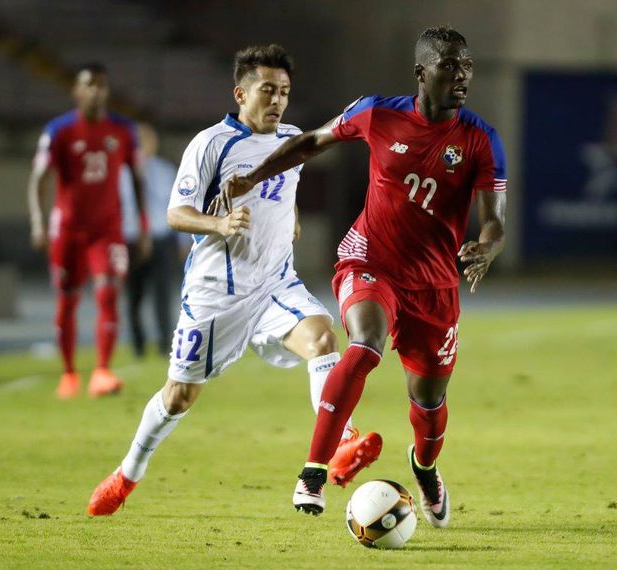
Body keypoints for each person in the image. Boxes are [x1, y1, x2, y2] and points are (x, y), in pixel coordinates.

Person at [222, 26, 508, 525]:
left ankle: (424, 467)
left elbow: (495, 221)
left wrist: (485, 247)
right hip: (370, 259)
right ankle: (313, 472)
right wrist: (253, 175)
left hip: (435, 283)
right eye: (449, 66)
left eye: (466, 66)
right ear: (422, 73)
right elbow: (311, 142)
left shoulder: (481, 139)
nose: (462, 76)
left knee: (430, 399)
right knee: (365, 343)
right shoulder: (377, 112)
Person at [87, 44, 382, 517]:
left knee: (325, 337)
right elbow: (176, 213)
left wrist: (292, 219)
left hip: (274, 286)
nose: (278, 101)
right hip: (215, 296)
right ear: (240, 93)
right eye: (268, 90)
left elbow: (284, 187)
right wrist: (219, 224)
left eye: (284, 92)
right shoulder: (211, 144)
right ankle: (126, 474)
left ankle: (343, 444)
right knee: (179, 396)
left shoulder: (290, 138)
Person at [27, 63, 152, 399]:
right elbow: (38, 178)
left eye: (101, 85)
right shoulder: (59, 130)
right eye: (89, 85)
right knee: (67, 300)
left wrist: (142, 225)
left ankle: (102, 372)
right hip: (67, 229)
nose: (96, 91)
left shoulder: (124, 130)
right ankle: (68, 374)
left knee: (108, 294)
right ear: (77, 91)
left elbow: (138, 179)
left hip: (107, 229)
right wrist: (38, 222)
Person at [119, 122, 179, 357]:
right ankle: (138, 345)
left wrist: (184, 241)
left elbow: (178, 205)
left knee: (163, 294)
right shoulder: (121, 172)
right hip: (131, 240)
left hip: (161, 238)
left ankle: (165, 343)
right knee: (134, 296)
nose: (144, 146)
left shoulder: (165, 171)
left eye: (148, 140)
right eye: (139, 141)